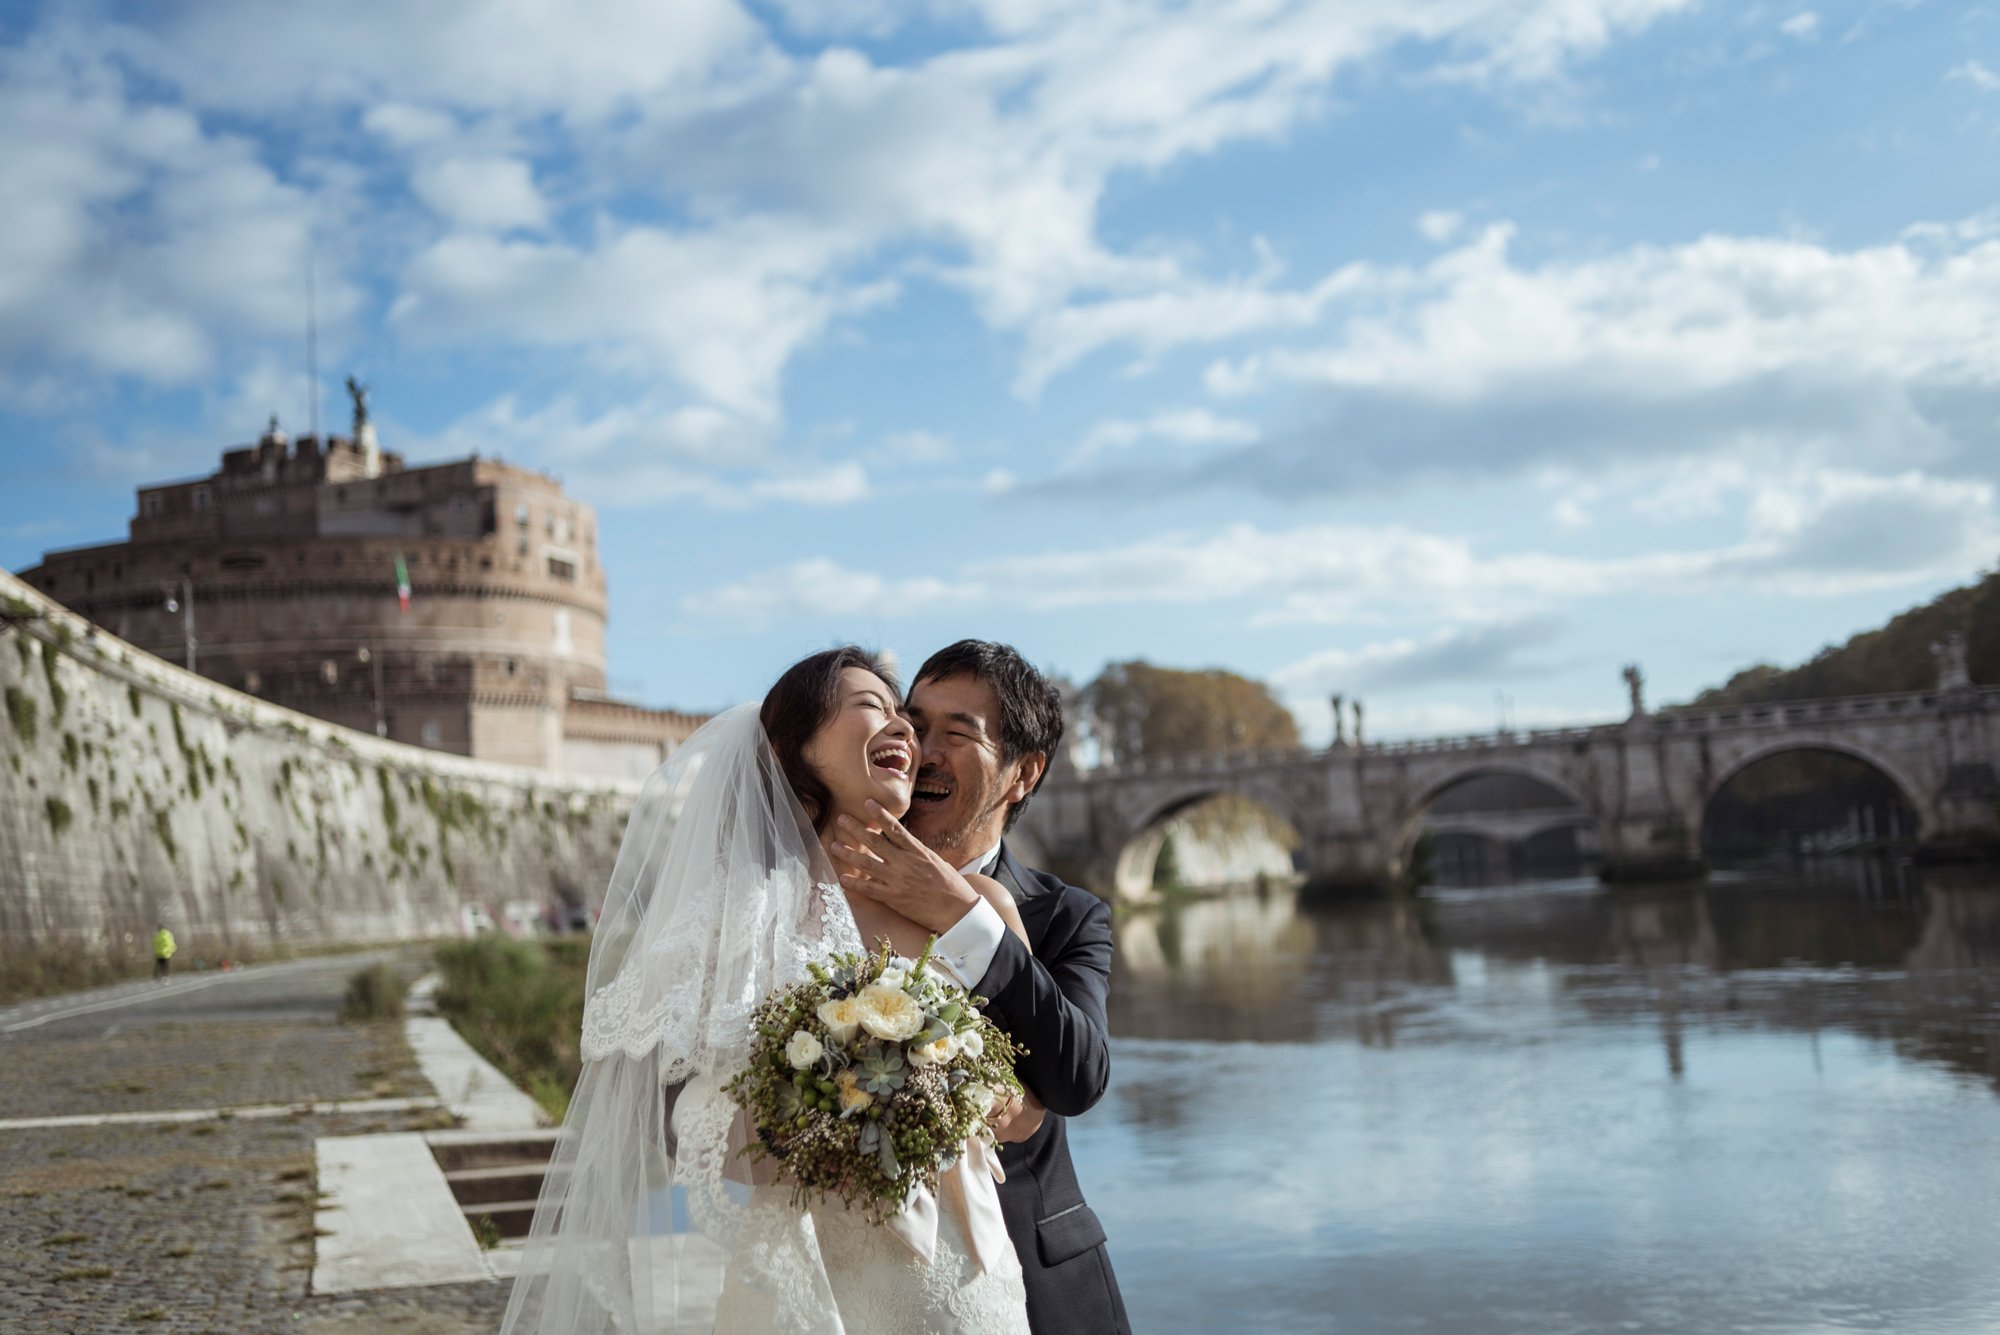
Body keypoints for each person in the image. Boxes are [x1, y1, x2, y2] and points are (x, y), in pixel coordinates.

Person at [500, 647, 1032, 1335]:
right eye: (872, 706)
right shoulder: (737, 915)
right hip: (799, 1281)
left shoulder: (979, 902)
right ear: (797, 747)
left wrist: (956, 1092)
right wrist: (820, 1124)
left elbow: (1029, 1110)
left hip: (965, 1281)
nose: (903, 728)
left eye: (903, 713)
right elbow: (672, 1107)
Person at [827, 641, 1131, 1335]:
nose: (922, 750)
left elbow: (1079, 1076)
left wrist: (963, 918)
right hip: (859, 1288)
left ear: (1023, 774)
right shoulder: (824, 891)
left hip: (1043, 1283)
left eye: (956, 733)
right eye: (915, 723)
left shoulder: (1070, 916)